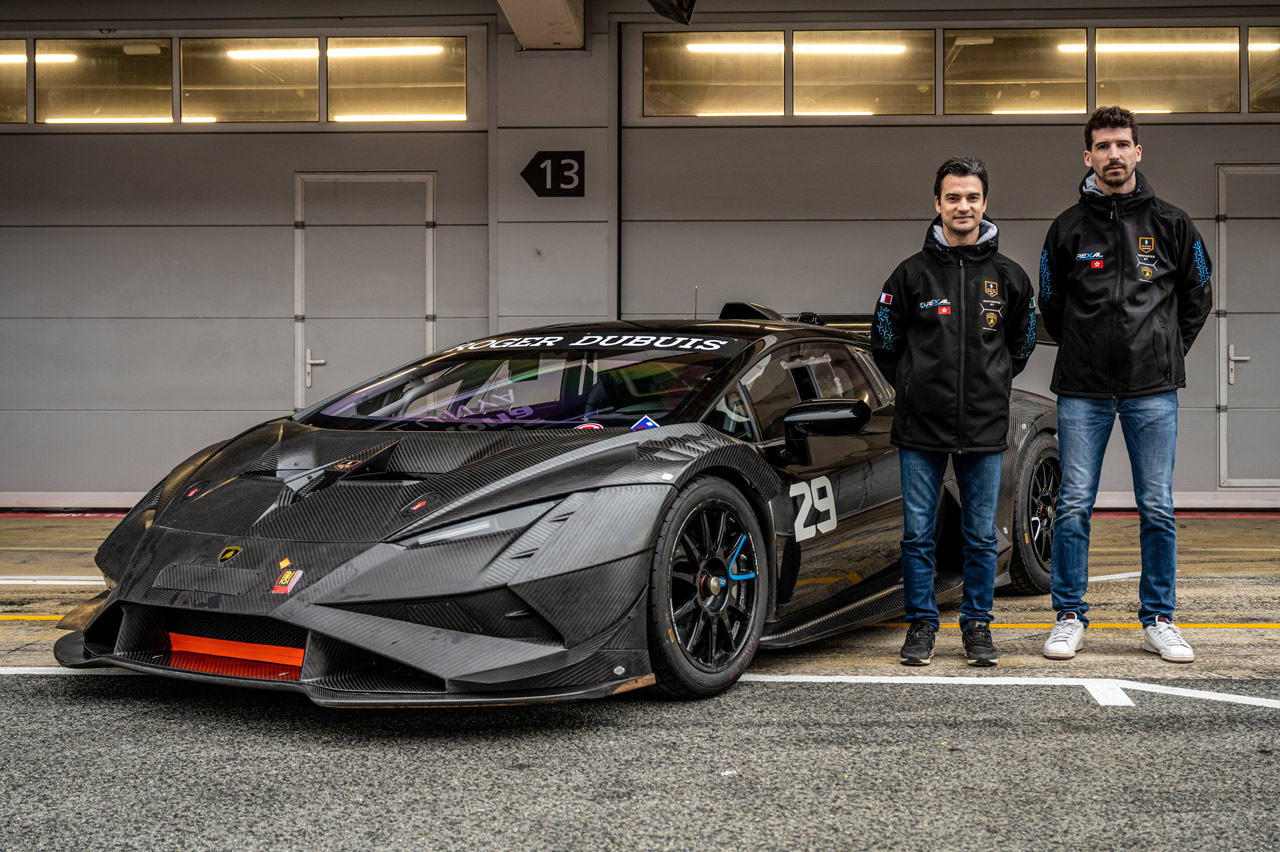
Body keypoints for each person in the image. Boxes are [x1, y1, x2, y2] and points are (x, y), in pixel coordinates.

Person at [1039, 106, 1213, 664]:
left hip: (1151, 391)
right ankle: (1069, 616)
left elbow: (1198, 296)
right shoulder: (1066, 228)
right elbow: (1050, 303)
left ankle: (1160, 618)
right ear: (1088, 156)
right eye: (1103, 146)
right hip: (1083, 390)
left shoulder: (1173, 223)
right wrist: (1088, 347)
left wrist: (1164, 350)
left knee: (1157, 506)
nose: (1114, 155)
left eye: (1123, 144)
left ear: (1139, 151)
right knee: (1073, 506)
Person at [872, 156, 1037, 667]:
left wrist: (989, 384)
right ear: (937, 204)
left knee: (980, 535)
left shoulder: (1010, 276)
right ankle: (921, 625)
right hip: (920, 427)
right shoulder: (909, 275)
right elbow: (883, 343)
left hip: (985, 426)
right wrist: (913, 384)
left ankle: (977, 627)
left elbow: (1022, 343)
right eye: (952, 197)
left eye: (971, 197)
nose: (962, 206)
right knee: (919, 534)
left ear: (984, 203)